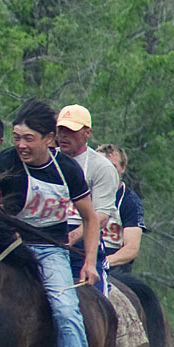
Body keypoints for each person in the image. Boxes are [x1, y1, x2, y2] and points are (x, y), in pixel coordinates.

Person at [0, 99, 103, 347]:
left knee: (67, 311)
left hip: (51, 252)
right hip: (7, 248)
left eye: (28, 138)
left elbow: (90, 218)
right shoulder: (5, 162)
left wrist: (90, 262)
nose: (20, 145)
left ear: (49, 139)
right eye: (17, 137)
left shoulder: (67, 169)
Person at [56, 104, 118, 294]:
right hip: (46, 231)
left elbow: (101, 215)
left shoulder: (101, 168)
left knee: (96, 302)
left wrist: (72, 236)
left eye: (71, 131)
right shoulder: (47, 160)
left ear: (87, 132)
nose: (64, 136)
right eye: (61, 130)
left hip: (82, 242)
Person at [96, 144, 146, 275]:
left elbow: (132, 248)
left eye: (112, 167)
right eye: (101, 165)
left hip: (114, 269)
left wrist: (104, 262)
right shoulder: (81, 192)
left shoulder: (130, 201)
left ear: (122, 168)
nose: (106, 171)